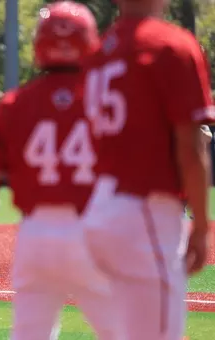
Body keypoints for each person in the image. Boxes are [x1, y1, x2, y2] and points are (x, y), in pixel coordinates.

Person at [0, 2, 120, 339]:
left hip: (36, 236)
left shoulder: (13, 105)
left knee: (31, 334)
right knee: (126, 331)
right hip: (96, 232)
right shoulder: (110, 100)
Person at [80, 0, 215, 337]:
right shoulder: (171, 45)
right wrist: (200, 225)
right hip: (145, 213)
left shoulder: (97, 54)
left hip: (98, 212)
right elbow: (190, 147)